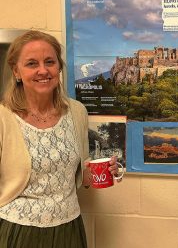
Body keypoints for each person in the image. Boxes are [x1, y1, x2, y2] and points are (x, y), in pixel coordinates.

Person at [0, 30, 121, 248]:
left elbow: (79, 179)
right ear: (16, 71)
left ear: (59, 67)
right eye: (31, 63)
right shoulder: (3, 118)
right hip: (18, 232)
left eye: (50, 61)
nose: (43, 70)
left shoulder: (76, 112)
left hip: (69, 228)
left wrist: (103, 174)